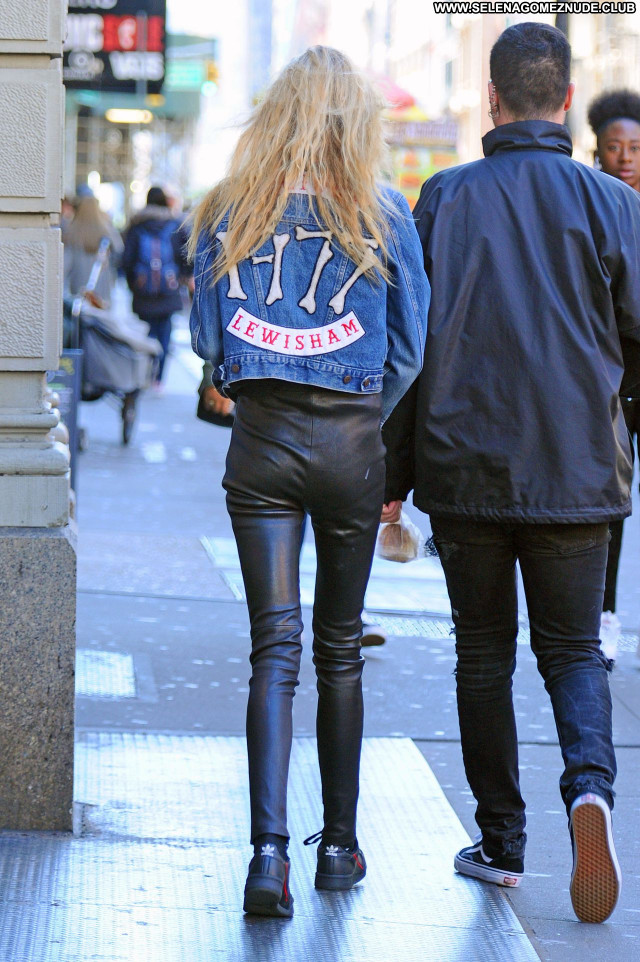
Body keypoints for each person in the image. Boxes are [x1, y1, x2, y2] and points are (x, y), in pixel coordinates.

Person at [383, 22, 640, 924]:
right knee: (572, 651)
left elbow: (410, 350)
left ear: (490, 99)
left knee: (483, 654)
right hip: (577, 469)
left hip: (466, 470)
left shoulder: (443, 197)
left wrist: (393, 478)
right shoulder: (614, 204)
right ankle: (590, 790)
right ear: (566, 100)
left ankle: (501, 841)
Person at [189, 46, 429, 918]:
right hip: (351, 447)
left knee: (273, 648)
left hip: (260, 446)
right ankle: (338, 846)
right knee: (340, 648)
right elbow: (409, 348)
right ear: (355, 123)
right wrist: (361, 408)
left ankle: (266, 857)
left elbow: (206, 341)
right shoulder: (382, 211)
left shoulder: (230, 206)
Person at [587, 90, 640, 623]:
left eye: (636, 147)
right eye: (614, 146)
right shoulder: (595, 205)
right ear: (597, 150)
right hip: (611, 378)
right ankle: (603, 616)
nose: (625, 156)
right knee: (611, 501)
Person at [122, 186, 192, 390]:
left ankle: (145, 373)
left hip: (143, 290)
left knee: (146, 332)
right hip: (169, 289)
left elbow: (127, 260)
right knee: (164, 333)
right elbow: (186, 256)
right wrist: (182, 277)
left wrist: (134, 285)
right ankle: (158, 379)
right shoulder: (175, 225)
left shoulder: (137, 225)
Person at [63, 194, 123, 307]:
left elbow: (66, 263)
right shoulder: (106, 230)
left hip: (78, 285)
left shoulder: (72, 231)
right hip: (101, 286)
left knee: (81, 312)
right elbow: (119, 250)